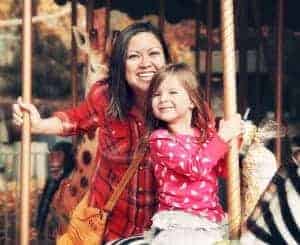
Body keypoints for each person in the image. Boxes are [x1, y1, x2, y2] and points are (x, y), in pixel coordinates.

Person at [12, 22, 171, 242]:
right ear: (121, 65)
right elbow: (75, 120)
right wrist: (38, 124)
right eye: (133, 56)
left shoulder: (183, 100)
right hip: (109, 225)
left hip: (163, 229)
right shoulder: (105, 97)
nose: (145, 63)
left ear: (167, 61)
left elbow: (209, 140)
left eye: (154, 53)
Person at [144, 63, 242, 244]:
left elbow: (224, 171)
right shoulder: (161, 139)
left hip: (212, 219)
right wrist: (221, 138)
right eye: (157, 94)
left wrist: (234, 143)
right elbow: (194, 167)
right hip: (179, 222)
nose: (163, 99)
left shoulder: (205, 136)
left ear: (192, 101)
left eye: (172, 92)